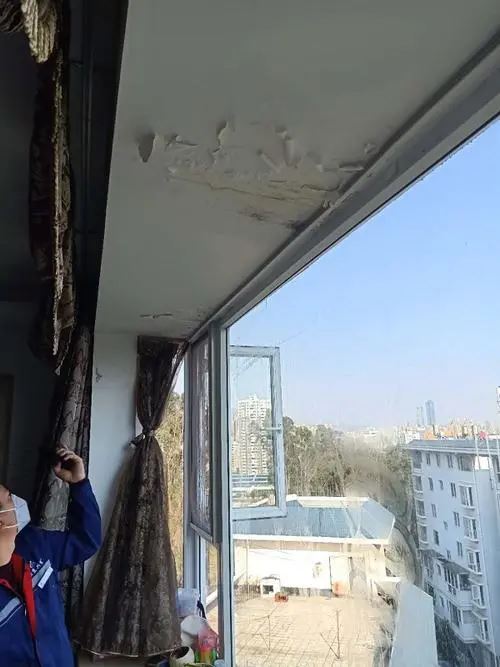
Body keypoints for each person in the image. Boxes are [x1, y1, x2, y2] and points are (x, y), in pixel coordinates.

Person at [0, 448, 101, 666]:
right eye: (9, 499)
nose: (17, 501)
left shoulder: (34, 544)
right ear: (1, 521)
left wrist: (79, 485)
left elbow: (86, 540)